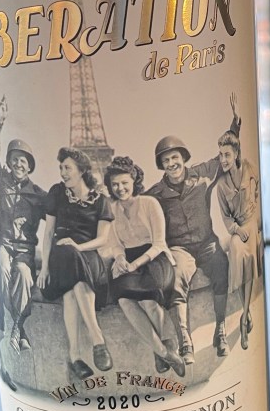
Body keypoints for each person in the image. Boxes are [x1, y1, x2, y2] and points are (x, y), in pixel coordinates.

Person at [147, 96, 241, 366]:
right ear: (161, 165)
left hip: (207, 243)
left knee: (221, 267)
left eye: (175, 157)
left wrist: (235, 125)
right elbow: (135, 208)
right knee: (177, 278)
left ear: (183, 158)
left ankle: (220, 331)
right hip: (180, 248)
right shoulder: (155, 193)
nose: (171, 163)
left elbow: (225, 154)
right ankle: (185, 341)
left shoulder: (202, 174)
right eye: (166, 160)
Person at [0, 95, 45, 358]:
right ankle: (19, 328)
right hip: (4, 244)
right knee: (2, 268)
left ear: (29, 168)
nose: (18, 164)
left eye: (23, 161)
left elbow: (59, 212)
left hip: (25, 250)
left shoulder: (37, 195)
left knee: (24, 276)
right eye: (15, 159)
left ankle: (16, 326)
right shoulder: (1, 181)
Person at [104, 156, 185, 379]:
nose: (120, 188)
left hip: (155, 258)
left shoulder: (150, 203)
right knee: (123, 299)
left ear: (134, 181)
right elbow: (115, 244)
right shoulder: (111, 209)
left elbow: (159, 243)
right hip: (129, 259)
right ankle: (165, 352)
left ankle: (160, 353)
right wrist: (120, 258)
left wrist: (135, 264)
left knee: (149, 300)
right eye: (115, 184)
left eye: (124, 183)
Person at [38, 147, 113, 380]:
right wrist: (44, 267)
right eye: (61, 167)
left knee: (72, 290)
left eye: (67, 168)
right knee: (69, 254)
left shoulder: (101, 200)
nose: (62, 172)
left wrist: (79, 247)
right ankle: (97, 339)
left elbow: (103, 239)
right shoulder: (57, 193)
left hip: (88, 255)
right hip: (61, 256)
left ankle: (75, 357)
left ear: (81, 171)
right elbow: (48, 233)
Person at [216, 130, 261, 351]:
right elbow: (225, 216)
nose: (223, 159)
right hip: (238, 228)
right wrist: (236, 230)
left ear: (236, 153)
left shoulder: (249, 167)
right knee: (236, 250)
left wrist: (255, 219)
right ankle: (247, 311)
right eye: (221, 155)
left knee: (249, 255)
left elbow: (258, 189)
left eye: (227, 154)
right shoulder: (221, 185)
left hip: (251, 222)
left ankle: (243, 320)